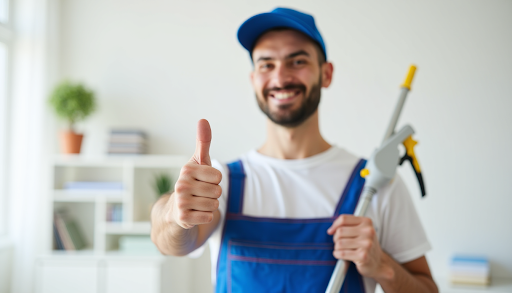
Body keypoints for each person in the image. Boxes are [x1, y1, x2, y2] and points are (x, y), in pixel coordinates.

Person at [151, 7, 438, 293]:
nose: (280, 77)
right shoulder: (221, 182)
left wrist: (383, 266)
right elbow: (169, 243)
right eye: (266, 64)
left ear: (326, 74)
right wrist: (173, 213)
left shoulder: (376, 184)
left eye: (297, 61)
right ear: (254, 80)